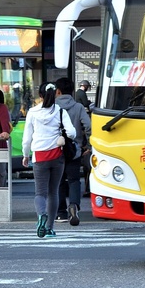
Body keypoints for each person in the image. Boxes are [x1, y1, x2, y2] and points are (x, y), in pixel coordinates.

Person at [22, 83, 75, 238]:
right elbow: (72, 133)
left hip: (39, 156)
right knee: (53, 192)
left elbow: (27, 138)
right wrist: (61, 135)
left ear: (40, 95)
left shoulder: (32, 112)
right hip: (57, 156)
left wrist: (26, 155)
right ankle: (50, 228)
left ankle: (41, 214)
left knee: (40, 193)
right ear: (55, 94)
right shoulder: (60, 111)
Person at [54, 77, 91, 226]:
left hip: (56, 150)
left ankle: (61, 212)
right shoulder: (78, 107)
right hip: (74, 150)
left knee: (58, 181)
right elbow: (88, 126)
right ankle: (74, 205)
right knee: (74, 180)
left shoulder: (52, 107)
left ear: (58, 91)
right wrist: (88, 145)